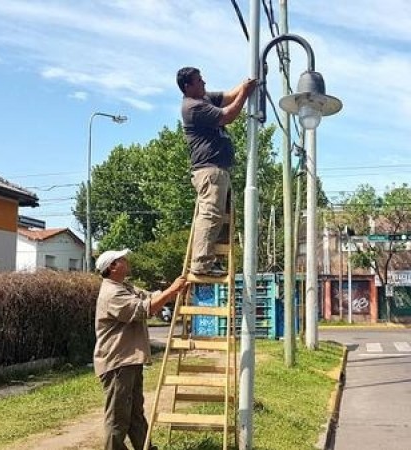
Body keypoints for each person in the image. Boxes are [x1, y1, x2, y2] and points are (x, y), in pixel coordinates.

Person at [93, 248, 189, 450]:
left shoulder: (124, 287)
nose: (127, 261)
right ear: (112, 267)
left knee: (135, 414)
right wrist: (172, 290)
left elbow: (151, 298)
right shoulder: (112, 293)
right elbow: (144, 309)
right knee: (118, 418)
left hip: (128, 361)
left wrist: (173, 292)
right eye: (122, 259)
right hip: (117, 362)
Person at [176, 67, 257, 276]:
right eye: (199, 81)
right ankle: (201, 264)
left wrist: (249, 81)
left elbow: (229, 96)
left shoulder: (204, 99)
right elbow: (227, 115)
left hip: (217, 170)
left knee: (218, 216)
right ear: (188, 86)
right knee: (210, 214)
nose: (204, 83)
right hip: (209, 170)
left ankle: (212, 259)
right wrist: (246, 93)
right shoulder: (193, 107)